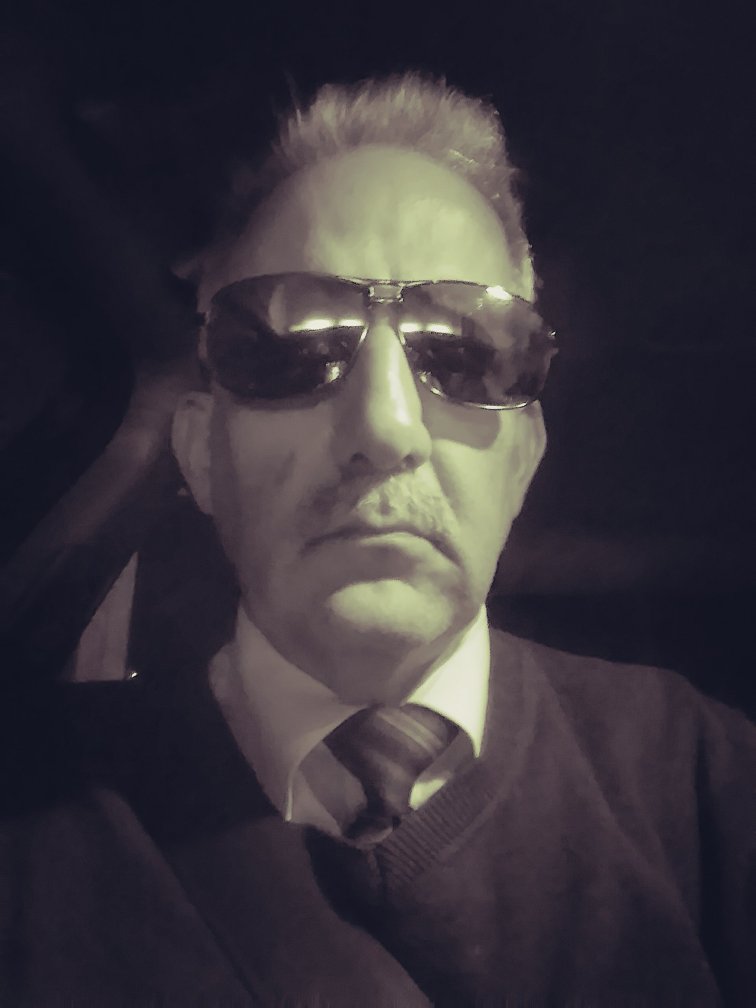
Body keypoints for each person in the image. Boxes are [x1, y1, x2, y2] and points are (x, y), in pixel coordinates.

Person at [2, 71, 755, 1007]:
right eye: (291, 347)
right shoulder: (27, 824)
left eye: (467, 351)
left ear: (522, 459)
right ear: (200, 453)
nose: (386, 425)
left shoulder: (711, 787)